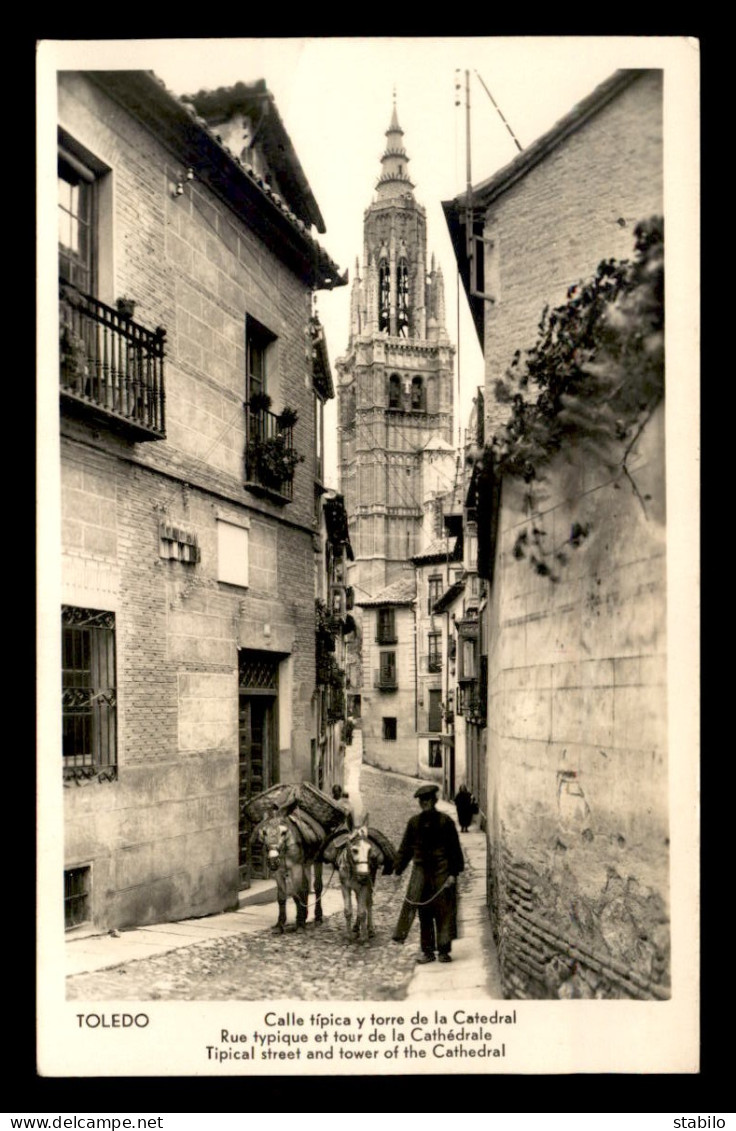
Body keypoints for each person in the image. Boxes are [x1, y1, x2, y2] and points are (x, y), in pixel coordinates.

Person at [391, 783, 465, 964]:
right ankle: (427, 951)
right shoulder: (414, 823)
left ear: (435, 800)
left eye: (428, 799)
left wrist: (453, 874)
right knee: (423, 911)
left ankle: (444, 950)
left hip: (442, 871)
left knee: (444, 910)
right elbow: (405, 849)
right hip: (421, 872)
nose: (424, 803)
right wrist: (397, 870)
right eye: (422, 800)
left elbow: (454, 849)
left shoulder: (446, 822)